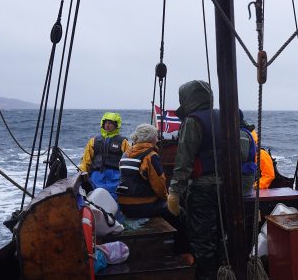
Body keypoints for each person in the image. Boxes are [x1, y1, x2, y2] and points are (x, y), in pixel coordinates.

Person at [167, 80, 229, 280]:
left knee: (202, 240)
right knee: (223, 235)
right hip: (229, 188)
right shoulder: (225, 116)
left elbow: (184, 161)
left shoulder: (193, 121)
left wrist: (174, 192)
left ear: (187, 99)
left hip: (203, 190)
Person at [117, 124, 192, 262]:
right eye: (156, 137)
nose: (157, 140)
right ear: (151, 139)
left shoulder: (126, 153)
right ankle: (183, 252)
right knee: (179, 213)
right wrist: (168, 200)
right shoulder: (151, 155)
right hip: (141, 207)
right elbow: (159, 184)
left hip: (124, 206)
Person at [80, 112, 130, 201]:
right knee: (93, 199)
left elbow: (129, 160)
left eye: (110, 123)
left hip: (115, 177)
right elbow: (86, 161)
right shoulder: (93, 141)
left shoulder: (123, 142)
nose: (107, 125)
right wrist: (83, 172)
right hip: (96, 176)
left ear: (116, 125)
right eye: (106, 123)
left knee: (114, 200)